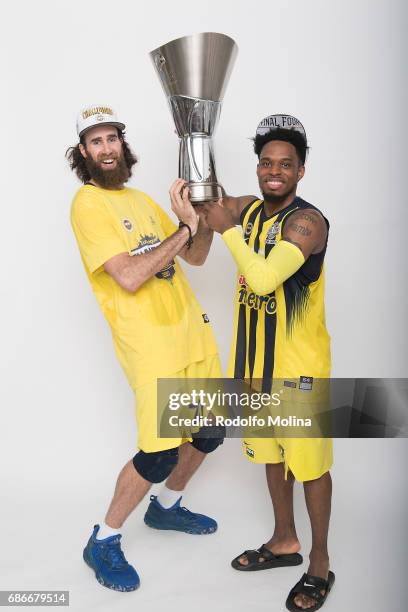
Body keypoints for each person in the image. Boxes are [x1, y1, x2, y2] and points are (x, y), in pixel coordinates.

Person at [67, 105, 223, 592]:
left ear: (122, 145)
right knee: (157, 455)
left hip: (191, 334)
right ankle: (104, 539)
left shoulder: (140, 199)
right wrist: (181, 229)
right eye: (96, 142)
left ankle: (166, 508)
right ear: (83, 153)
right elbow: (131, 276)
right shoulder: (88, 204)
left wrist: (202, 216)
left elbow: (194, 255)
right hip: (151, 344)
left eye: (112, 138)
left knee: (210, 432)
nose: (106, 148)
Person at [203, 115, 335, 611]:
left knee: (310, 467)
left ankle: (319, 562)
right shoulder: (250, 209)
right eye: (265, 163)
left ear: (301, 171)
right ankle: (284, 541)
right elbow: (211, 197)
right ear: (257, 168)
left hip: (298, 371)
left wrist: (227, 230)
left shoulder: (308, 222)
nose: (273, 171)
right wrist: (194, 145)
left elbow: (261, 279)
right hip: (254, 368)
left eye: (285, 164)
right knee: (271, 457)